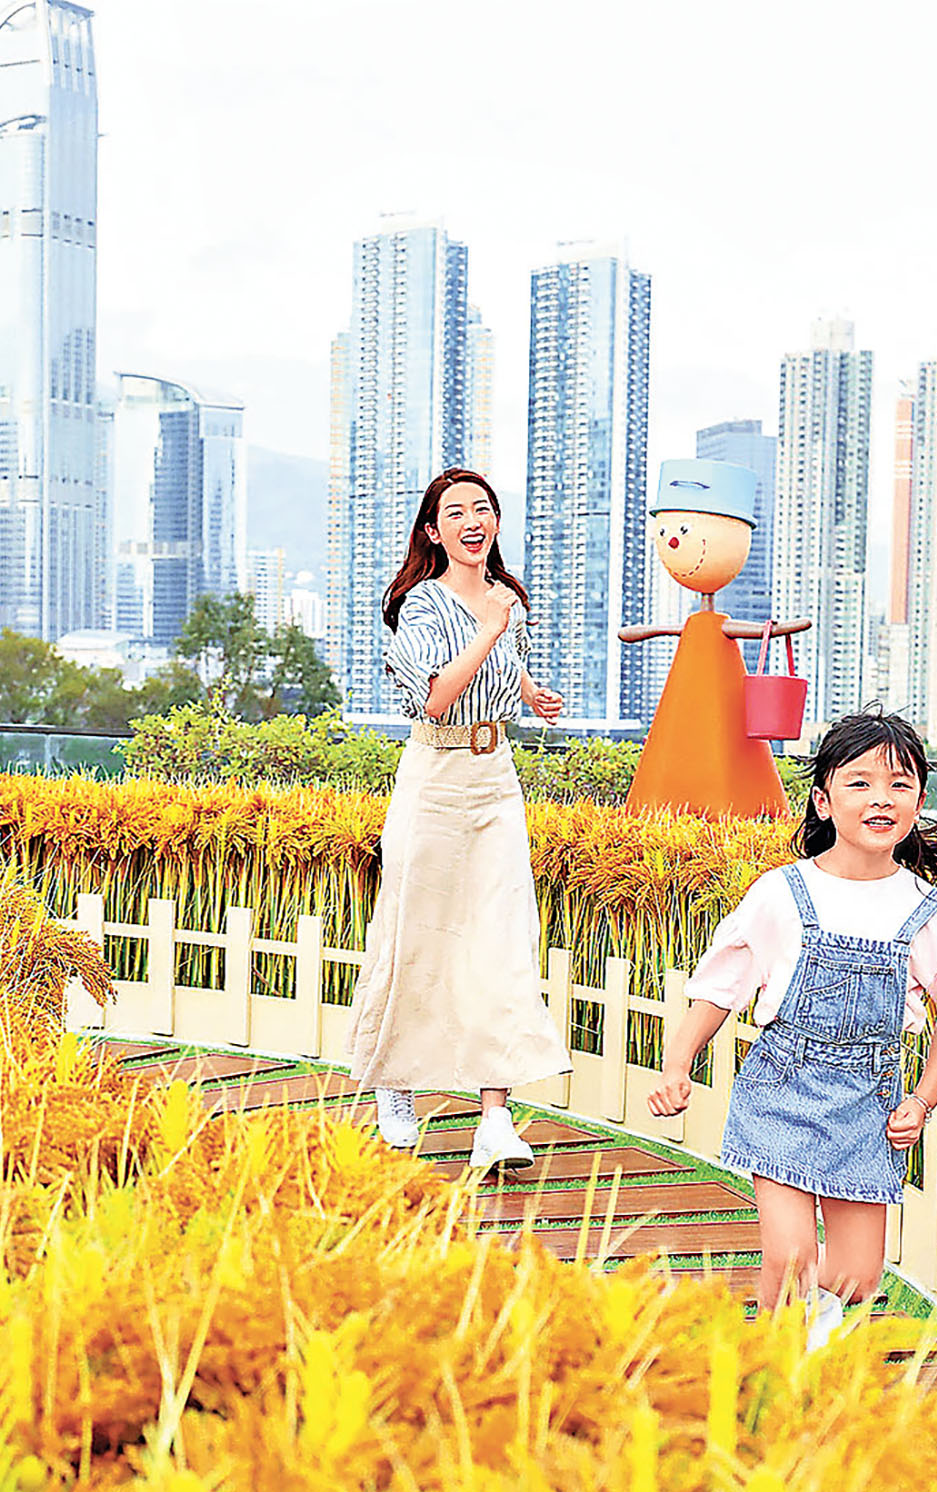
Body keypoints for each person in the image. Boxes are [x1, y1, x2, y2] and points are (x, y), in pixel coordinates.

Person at [644, 710, 937, 1347]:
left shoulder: (927, 911)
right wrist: (676, 1066)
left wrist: (921, 1101)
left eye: (900, 784)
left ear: (917, 800)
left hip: (867, 1105)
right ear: (824, 800)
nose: (880, 799)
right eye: (859, 783)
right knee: (792, 1256)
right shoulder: (782, 892)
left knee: (858, 1280)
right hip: (782, 1089)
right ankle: (773, 1374)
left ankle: (809, 1321)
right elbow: (719, 987)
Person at [344, 468, 575, 1169]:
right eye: (455, 511)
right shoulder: (421, 605)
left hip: (495, 775)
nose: (472, 519)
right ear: (432, 531)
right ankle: (393, 1082)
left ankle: (494, 1117)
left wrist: (532, 693)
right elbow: (437, 697)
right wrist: (488, 628)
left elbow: (508, 664)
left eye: (483, 507)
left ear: (495, 522)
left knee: (502, 937)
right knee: (416, 927)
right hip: (435, 776)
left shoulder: (508, 602)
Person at [618, 460, 813, 818]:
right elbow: (638, 633)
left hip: (725, 730)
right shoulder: (696, 628)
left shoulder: (717, 629)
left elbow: (761, 631)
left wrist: (781, 629)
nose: (673, 540)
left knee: (727, 756)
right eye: (666, 533)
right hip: (679, 717)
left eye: (683, 531)